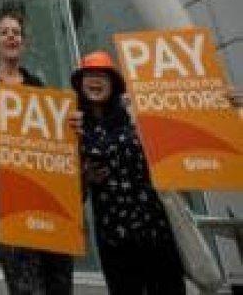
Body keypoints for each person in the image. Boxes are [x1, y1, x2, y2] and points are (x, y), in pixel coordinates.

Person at [0, 9, 72, 295]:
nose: (11, 37)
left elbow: (55, 138)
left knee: (55, 279)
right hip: (6, 196)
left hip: (41, 195)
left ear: (23, 42)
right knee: (23, 282)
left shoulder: (36, 85)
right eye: (4, 32)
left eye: (16, 33)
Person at [73, 50, 185, 295]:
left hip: (155, 232)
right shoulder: (75, 130)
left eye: (102, 75)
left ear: (114, 83)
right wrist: (85, 175)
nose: (95, 80)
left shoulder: (135, 116)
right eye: (89, 75)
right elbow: (73, 191)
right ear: (80, 84)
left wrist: (226, 103)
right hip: (114, 241)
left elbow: (178, 133)